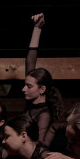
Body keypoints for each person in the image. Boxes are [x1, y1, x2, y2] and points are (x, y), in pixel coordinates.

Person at [22, 13, 63, 147]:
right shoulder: (32, 103)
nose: (24, 89)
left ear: (42, 89)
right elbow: (30, 61)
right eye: (25, 85)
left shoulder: (44, 114)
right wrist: (37, 28)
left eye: (29, 86)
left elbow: (38, 147)